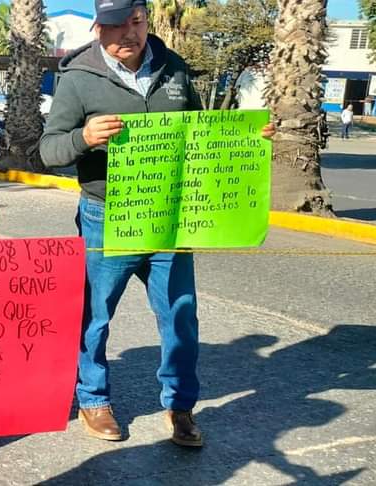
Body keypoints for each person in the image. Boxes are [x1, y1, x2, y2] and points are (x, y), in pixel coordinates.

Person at [39, 0, 274, 448]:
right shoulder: (77, 78)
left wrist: (247, 138)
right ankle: (93, 399)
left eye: (136, 21)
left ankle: (181, 406)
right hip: (105, 216)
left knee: (180, 315)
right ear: (97, 28)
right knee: (94, 317)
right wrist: (83, 138)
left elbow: (204, 134)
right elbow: (48, 150)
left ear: (146, 18)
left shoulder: (175, 69)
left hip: (171, 216)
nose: (128, 33)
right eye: (115, 25)